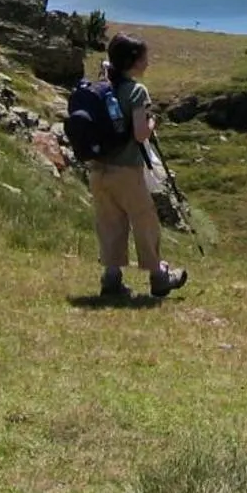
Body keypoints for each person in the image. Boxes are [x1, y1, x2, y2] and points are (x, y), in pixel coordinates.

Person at [89, 33, 188, 301]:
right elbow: (141, 134)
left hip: (98, 169)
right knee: (145, 221)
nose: (148, 62)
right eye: (144, 57)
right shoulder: (137, 91)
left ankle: (111, 279)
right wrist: (152, 122)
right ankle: (158, 276)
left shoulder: (101, 87)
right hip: (127, 170)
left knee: (109, 223)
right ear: (133, 61)